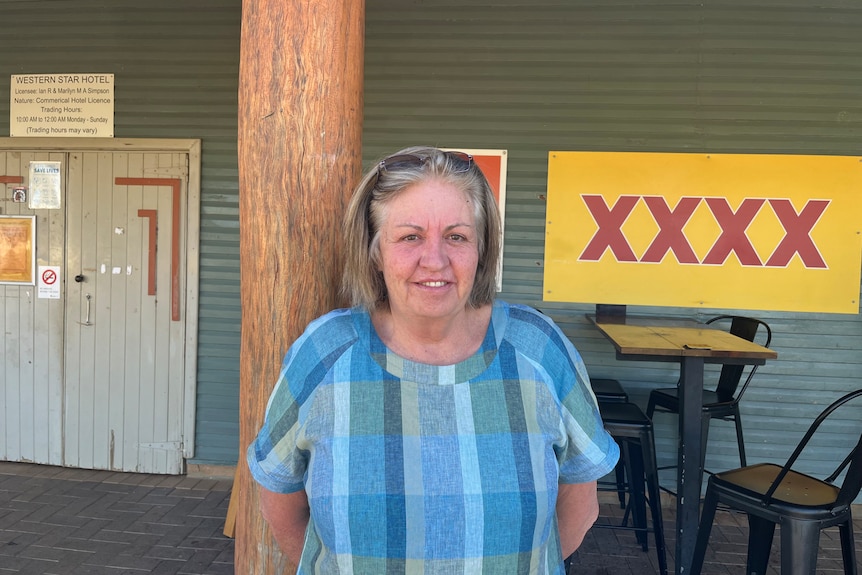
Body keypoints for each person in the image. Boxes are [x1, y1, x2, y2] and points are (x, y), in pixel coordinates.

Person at [247, 145, 620, 574]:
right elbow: (280, 501)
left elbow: (579, 504)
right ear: (374, 251)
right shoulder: (325, 351)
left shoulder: (537, 347)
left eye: (457, 236)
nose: (435, 259)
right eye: (410, 236)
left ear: (481, 249)